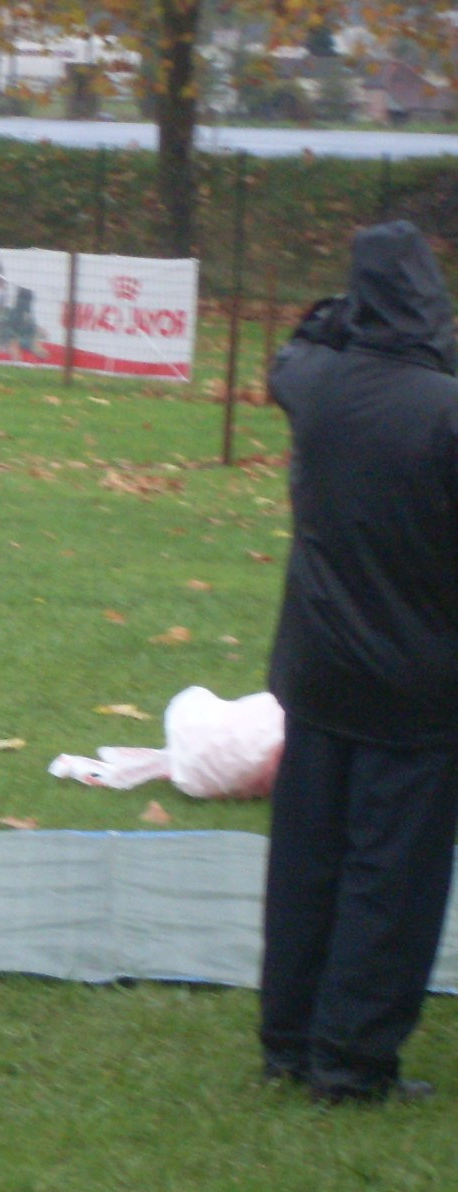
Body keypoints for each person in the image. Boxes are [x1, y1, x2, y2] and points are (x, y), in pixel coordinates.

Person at [259, 220, 458, 1105]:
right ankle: (350, 1057)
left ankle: (291, 1035)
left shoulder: (321, 384)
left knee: (308, 859)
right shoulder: (443, 406)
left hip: (320, 667)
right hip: (419, 680)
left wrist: (346, 315)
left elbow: (295, 349)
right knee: (393, 877)